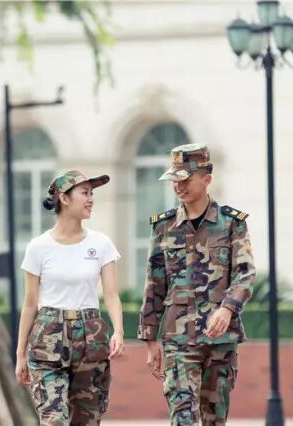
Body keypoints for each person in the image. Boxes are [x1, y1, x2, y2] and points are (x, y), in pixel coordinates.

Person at [137, 143, 256, 426]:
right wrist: (150, 339)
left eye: (186, 180)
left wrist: (227, 309)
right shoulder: (163, 227)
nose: (178, 187)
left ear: (207, 178)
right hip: (178, 339)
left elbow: (246, 274)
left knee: (214, 419)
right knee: (182, 419)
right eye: (174, 180)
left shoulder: (231, 224)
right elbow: (154, 285)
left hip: (220, 341)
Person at [15, 169, 125, 426]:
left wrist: (118, 332)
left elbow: (111, 294)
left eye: (92, 194)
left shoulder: (101, 244)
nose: (91, 199)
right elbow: (30, 304)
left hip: (90, 339)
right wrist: (20, 354)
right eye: (85, 193)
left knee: (86, 420)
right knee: (53, 420)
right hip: (48, 339)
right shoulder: (38, 247)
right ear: (64, 198)